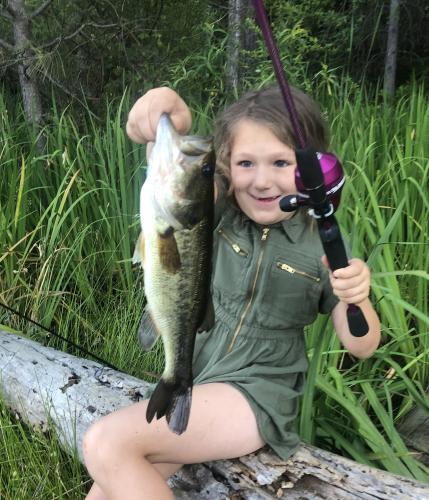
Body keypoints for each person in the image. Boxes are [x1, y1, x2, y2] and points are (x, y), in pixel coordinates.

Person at [82, 86, 381, 500]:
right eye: (245, 163)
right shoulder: (219, 211)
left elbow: (361, 345)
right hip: (199, 380)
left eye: (280, 162)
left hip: (258, 396)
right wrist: (167, 110)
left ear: (312, 166)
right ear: (226, 165)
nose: (261, 180)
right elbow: (155, 132)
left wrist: (356, 295)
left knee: (106, 443)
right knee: (104, 489)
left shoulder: (322, 242)